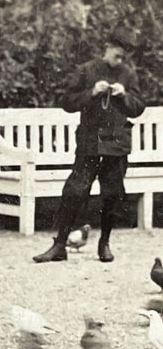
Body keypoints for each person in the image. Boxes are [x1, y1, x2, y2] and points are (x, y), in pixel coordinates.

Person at [33, 27, 145, 263]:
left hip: (116, 146)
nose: (121, 59)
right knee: (74, 191)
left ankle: (104, 244)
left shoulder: (129, 75)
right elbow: (67, 102)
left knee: (112, 196)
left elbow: (138, 108)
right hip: (90, 143)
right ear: (108, 47)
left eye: (125, 56)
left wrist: (124, 95)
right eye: (118, 53)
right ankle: (60, 245)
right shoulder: (86, 70)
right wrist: (92, 92)